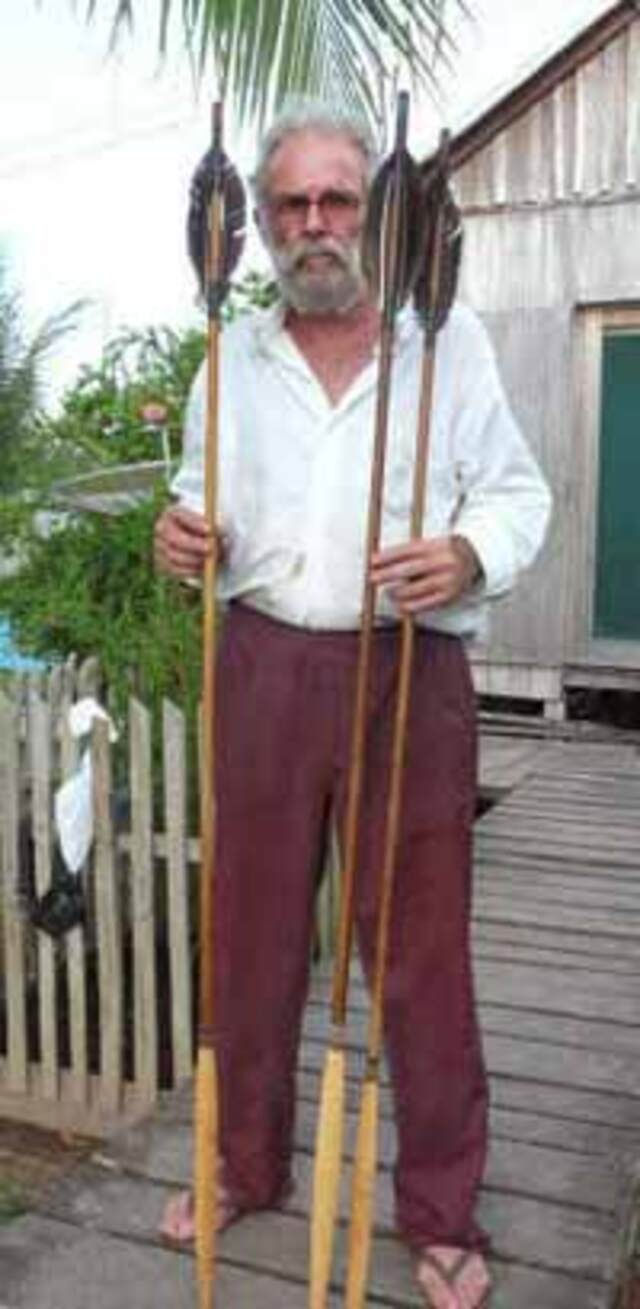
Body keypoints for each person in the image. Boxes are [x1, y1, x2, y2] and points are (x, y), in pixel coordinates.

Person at [154, 102, 551, 1309]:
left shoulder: (448, 344)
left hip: (407, 673)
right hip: (264, 663)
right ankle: (243, 1165)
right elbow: (192, 496)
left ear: (373, 213)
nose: (315, 224)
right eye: (292, 204)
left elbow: (520, 495)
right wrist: (184, 534)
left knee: (422, 959)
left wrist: (468, 555)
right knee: (252, 932)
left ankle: (438, 1212)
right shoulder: (231, 355)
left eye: (336, 199)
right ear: (258, 222)